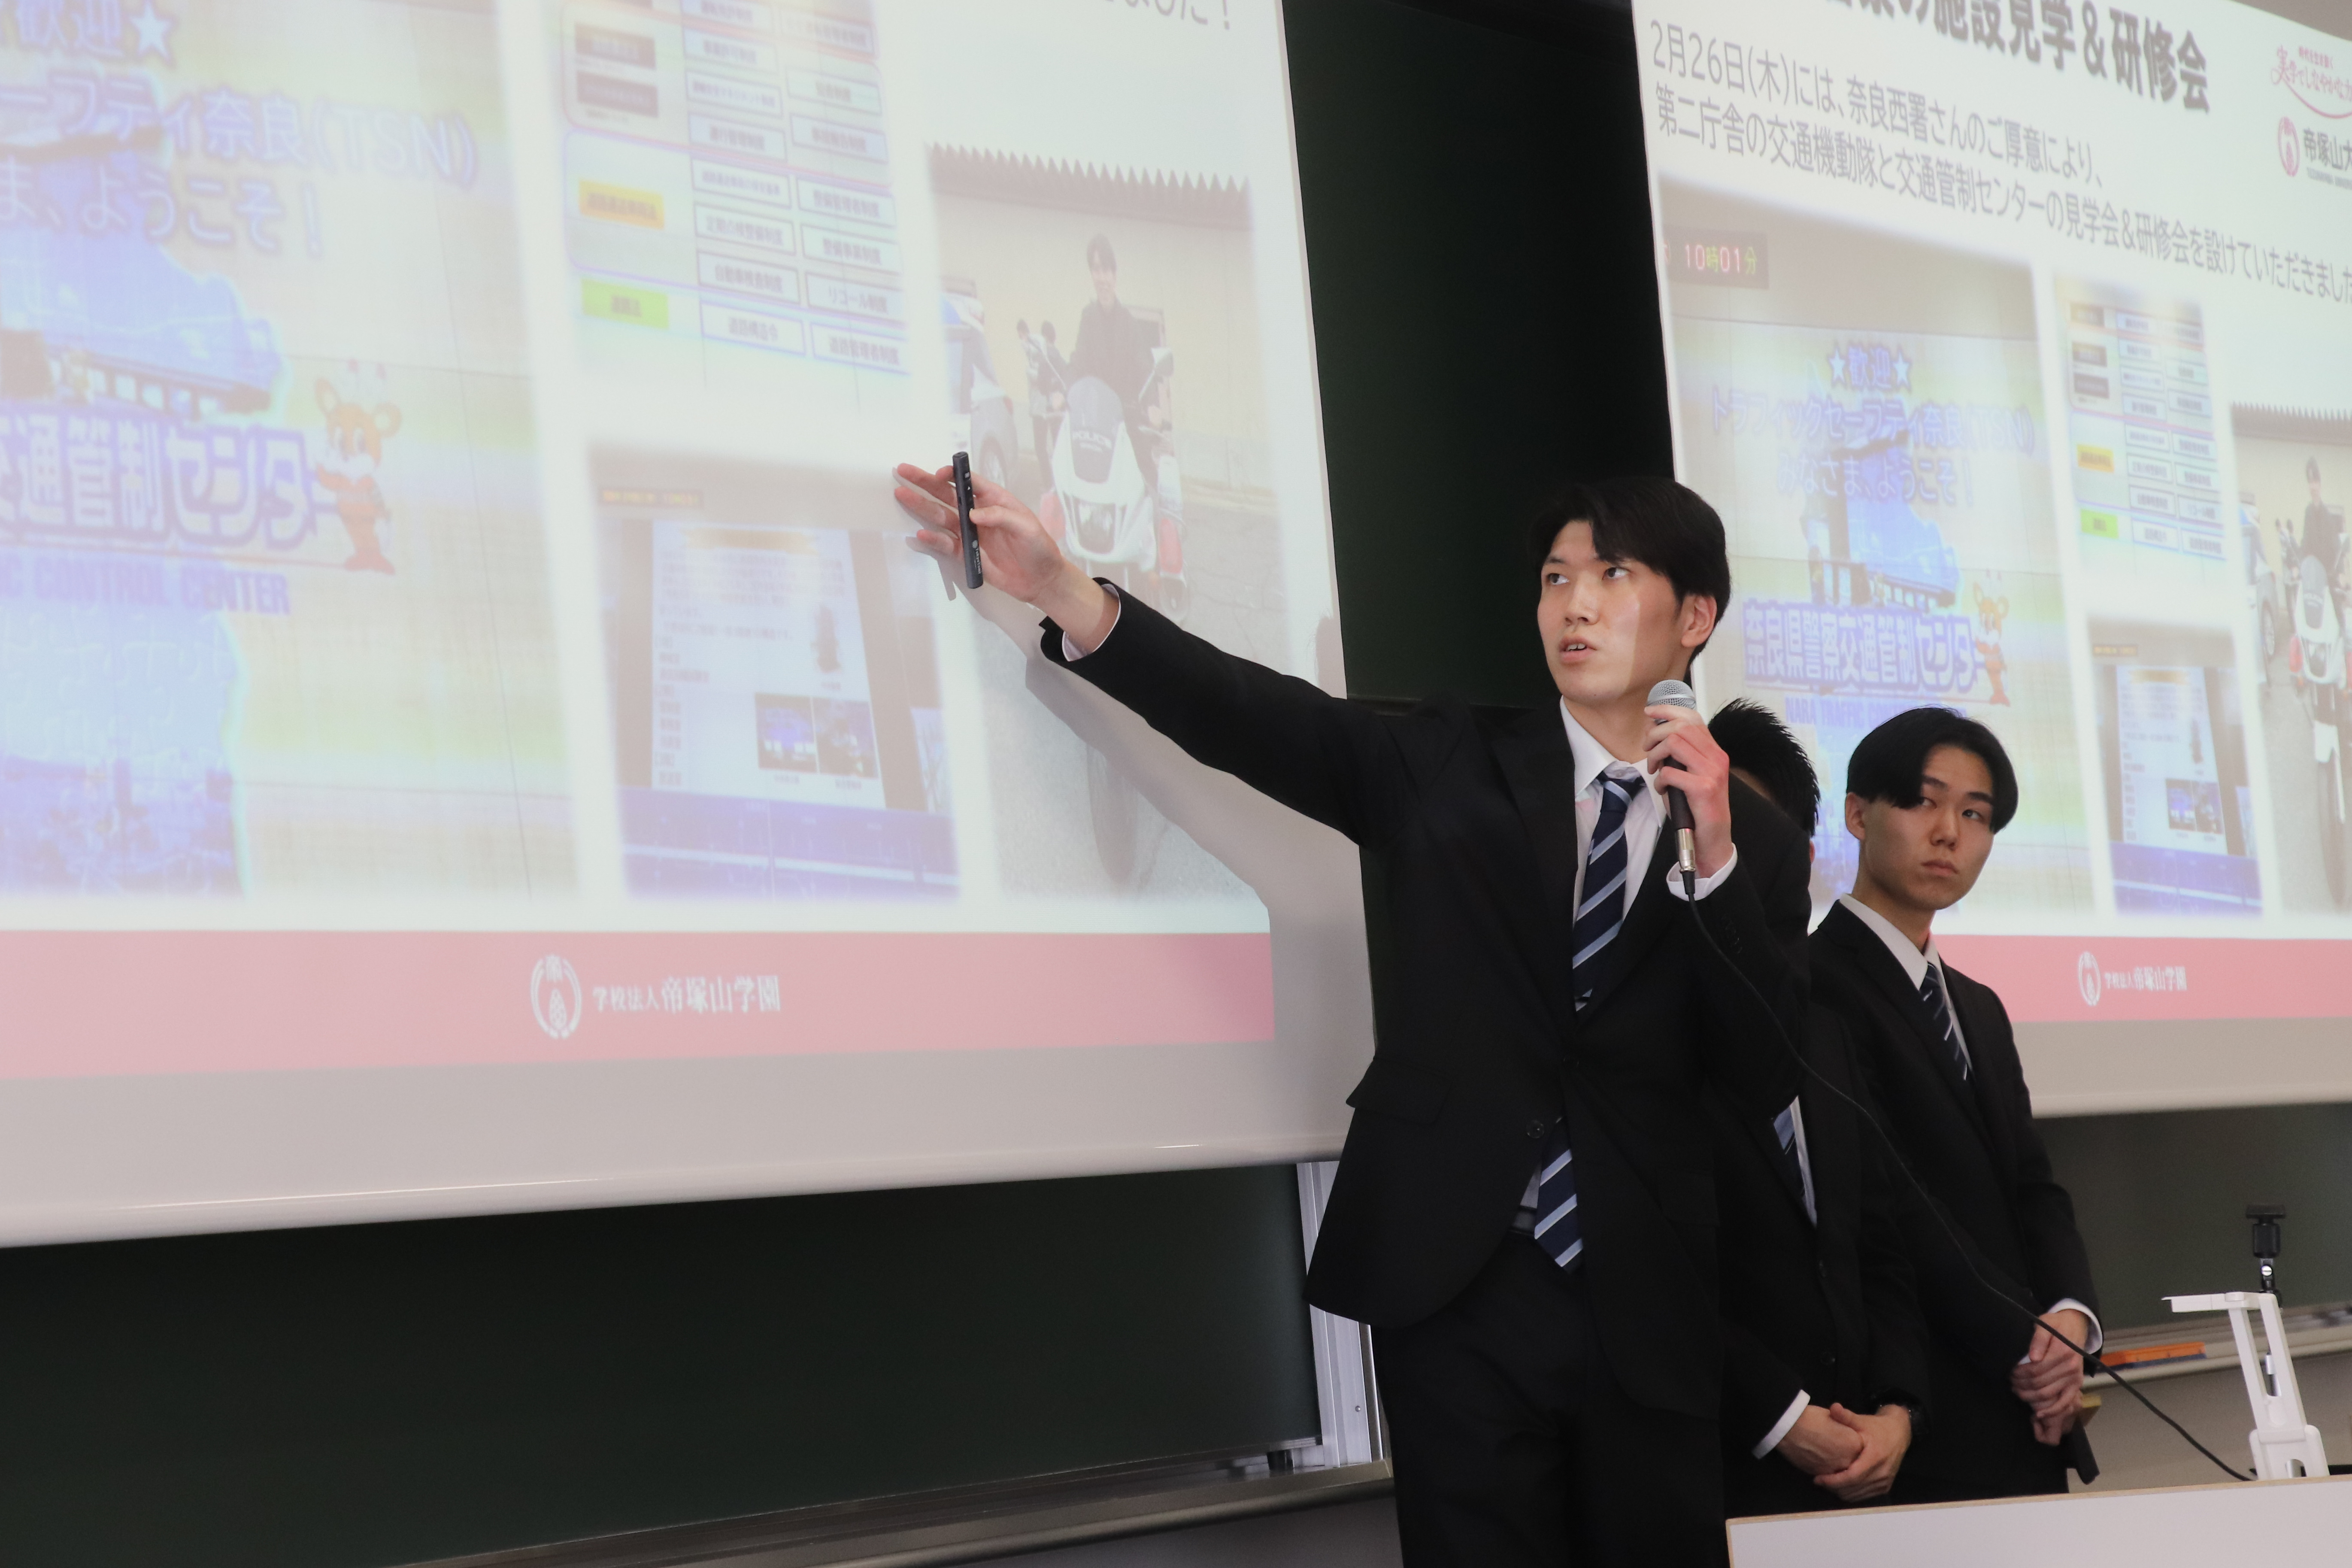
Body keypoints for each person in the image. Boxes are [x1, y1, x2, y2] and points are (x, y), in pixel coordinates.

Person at [894, 462, 1810, 1566]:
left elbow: (1760, 1069)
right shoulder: (1450, 760)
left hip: (1646, 1296)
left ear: (1693, 615)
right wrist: (1062, 589)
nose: (1572, 603)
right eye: (1554, 576)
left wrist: (1711, 859)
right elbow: (1247, 712)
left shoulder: (1753, 846)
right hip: (1460, 1276)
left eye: (1611, 574)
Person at [1809, 707, 2101, 1502]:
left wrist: (2071, 1318)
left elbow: (2034, 1187)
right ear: (1858, 814)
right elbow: (1889, 1200)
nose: (1949, 833)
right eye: (1923, 801)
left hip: (2026, 1415)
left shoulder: (1978, 1005)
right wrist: (2028, 1347)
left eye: (1975, 814)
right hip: (1913, 1410)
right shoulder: (1813, 984)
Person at [1704, 700, 1928, 1517]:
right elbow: (1649, 1273)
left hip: (1859, 1472)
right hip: (1721, 1466)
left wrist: (1898, 1411)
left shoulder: (1826, 1031)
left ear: (1797, 857)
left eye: (1746, 834)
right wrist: (1783, 1419)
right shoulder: (1650, 1037)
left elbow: (1879, 1243)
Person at [1067, 234, 1155, 420]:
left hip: (1125, 421)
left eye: (1106, 270)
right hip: (1094, 418)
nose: (1102, 278)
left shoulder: (1130, 324)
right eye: (1096, 270)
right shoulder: (1088, 318)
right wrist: (1064, 391)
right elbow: (1078, 360)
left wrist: (1153, 404)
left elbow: (1144, 368)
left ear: (1115, 276)